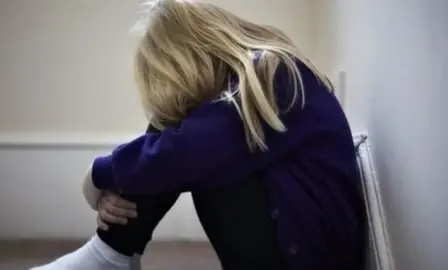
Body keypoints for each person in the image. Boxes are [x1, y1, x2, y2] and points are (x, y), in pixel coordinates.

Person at [30, 0, 366, 269]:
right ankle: (112, 255)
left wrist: (100, 173)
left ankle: (110, 257)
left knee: (177, 137)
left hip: (309, 259)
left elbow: (181, 153)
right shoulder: (268, 76)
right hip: (300, 250)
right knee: (176, 135)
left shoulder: (271, 71)